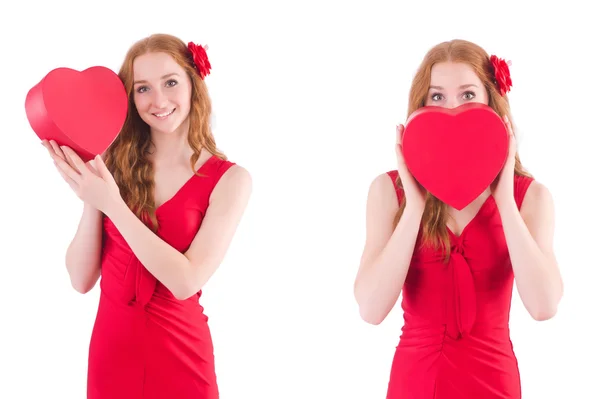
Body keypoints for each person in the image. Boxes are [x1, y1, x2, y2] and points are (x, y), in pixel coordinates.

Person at [42, 33, 252, 399]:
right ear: (129, 97)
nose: (158, 101)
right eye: (142, 89)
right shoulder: (112, 166)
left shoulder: (230, 179)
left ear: (193, 84)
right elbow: (80, 278)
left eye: (170, 82)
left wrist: (113, 205)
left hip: (181, 356)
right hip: (111, 354)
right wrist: (94, 193)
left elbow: (185, 281)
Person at [353, 39, 563, 399]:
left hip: (494, 384)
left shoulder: (531, 197)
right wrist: (415, 206)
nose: (452, 109)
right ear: (420, 106)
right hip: (415, 384)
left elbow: (544, 306)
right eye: (437, 96)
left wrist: (504, 200)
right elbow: (371, 310)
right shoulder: (389, 192)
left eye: (467, 95)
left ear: (492, 103)